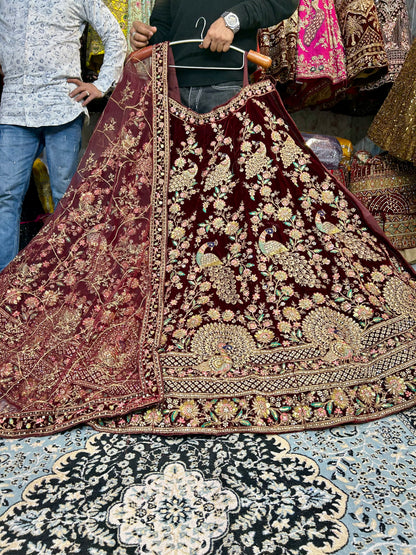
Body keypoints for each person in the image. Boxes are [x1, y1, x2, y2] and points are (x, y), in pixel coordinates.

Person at [0, 0, 127, 272]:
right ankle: (5, 282)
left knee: (65, 198)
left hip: (62, 108)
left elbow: (116, 36)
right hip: (14, 109)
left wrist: (101, 85)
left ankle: (67, 282)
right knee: (5, 197)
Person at [130, 0, 299, 113]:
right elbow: (163, 26)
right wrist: (144, 37)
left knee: (225, 164)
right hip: (172, 90)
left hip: (225, 86)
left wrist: (232, 20)